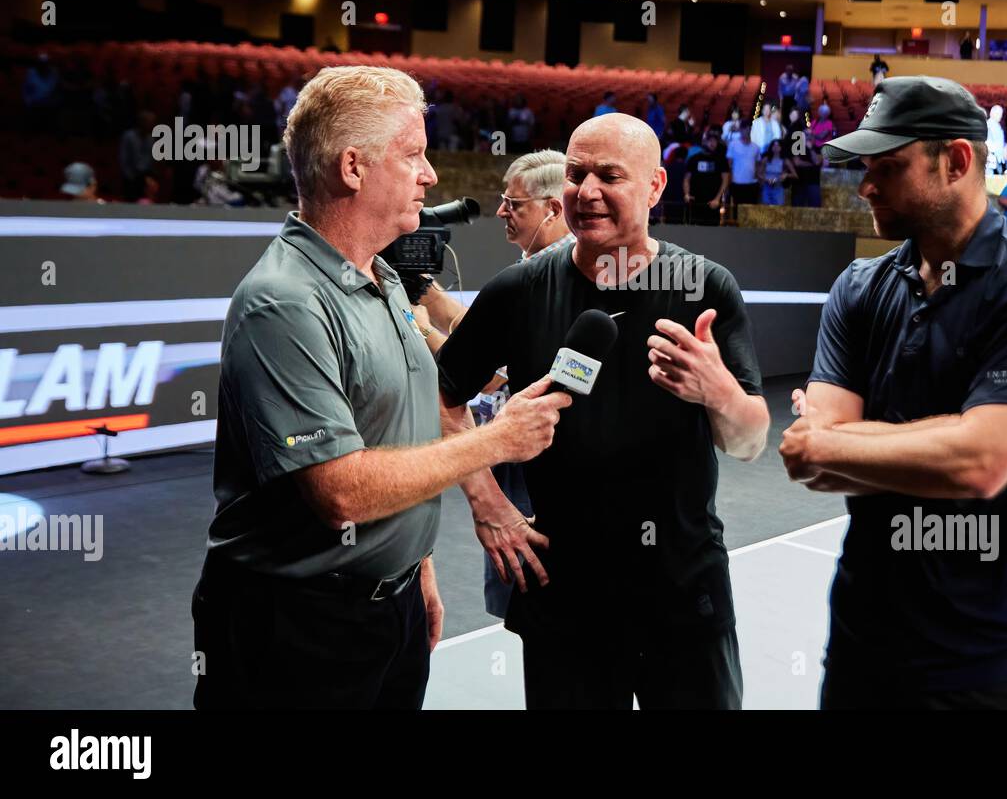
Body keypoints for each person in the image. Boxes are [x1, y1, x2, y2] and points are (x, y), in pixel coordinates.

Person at [192, 66, 570, 710]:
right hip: (296, 628)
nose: (431, 175)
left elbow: (399, 428)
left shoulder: (386, 282)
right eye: (413, 155)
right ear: (352, 168)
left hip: (385, 609)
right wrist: (497, 441)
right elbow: (340, 491)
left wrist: (414, 567)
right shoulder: (283, 303)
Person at [435, 112, 769, 709]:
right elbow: (441, 396)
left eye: (609, 175)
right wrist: (488, 503)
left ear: (656, 186)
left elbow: (749, 442)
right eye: (575, 173)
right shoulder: (518, 290)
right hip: (563, 596)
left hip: (682, 591)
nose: (586, 191)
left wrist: (717, 391)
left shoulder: (706, 288)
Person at [781, 75, 1007, 709]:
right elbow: (810, 459)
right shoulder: (858, 287)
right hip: (862, 654)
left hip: (998, 672)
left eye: (889, 168)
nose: (866, 185)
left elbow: (981, 464)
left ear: (956, 161)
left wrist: (845, 441)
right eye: (864, 167)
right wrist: (952, 437)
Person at [414, 151, 574, 619]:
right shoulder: (539, 269)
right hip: (513, 458)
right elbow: (489, 337)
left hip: (529, 465)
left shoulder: (545, 278)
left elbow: (487, 374)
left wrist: (418, 324)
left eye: (514, 203)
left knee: (532, 599)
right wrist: (435, 301)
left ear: (552, 208)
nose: (502, 211)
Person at [683, 129, 731, 225]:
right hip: (695, 202)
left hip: (713, 203)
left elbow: (725, 181)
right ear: (704, 142)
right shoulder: (694, 159)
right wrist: (687, 194)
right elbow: (686, 179)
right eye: (710, 140)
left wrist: (718, 199)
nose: (712, 143)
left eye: (715, 141)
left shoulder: (721, 160)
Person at [118, 110, 157, 203]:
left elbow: (151, 160)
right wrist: (131, 178)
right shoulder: (128, 136)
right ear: (141, 122)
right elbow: (124, 159)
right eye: (149, 122)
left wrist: (149, 177)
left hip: (145, 177)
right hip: (131, 177)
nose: (151, 125)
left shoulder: (151, 139)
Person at [725, 125, 762, 207]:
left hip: (752, 184)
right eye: (744, 129)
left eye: (748, 129)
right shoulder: (733, 144)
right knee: (737, 210)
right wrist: (729, 182)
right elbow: (729, 165)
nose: (746, 131)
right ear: (740, 130)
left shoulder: (756, 147)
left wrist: (759, 179)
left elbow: (758, 165)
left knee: (751, 210)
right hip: (736, 183)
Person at [760, 141, 797, 205]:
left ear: (781, 148)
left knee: (778, 209)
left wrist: (786, 175)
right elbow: (758, 174)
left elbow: (795, 175)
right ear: (771, 147)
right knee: (765, 209)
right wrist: (765, 179)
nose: (776, 147)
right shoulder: (766, 159)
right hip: (767, 186)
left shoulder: (785, 160)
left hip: (778, 187)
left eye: (778, 146)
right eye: (774, 145)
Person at [985, 105, 1007, 174]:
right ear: (992, 113)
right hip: (991, 159)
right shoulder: (988, 125)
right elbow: (986, 142)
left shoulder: (998, 126)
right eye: (998, 114)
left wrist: (1004, 147)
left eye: (1001, 114)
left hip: (999, 158)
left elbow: (1001, 142)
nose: (1000, 116)